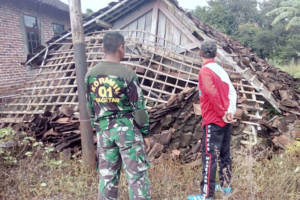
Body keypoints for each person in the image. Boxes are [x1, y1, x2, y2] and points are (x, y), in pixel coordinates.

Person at [85, 32, 151, 200]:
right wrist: (145, 133)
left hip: (104, 133)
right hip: (127, 133)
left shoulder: (91, 74)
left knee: (107, 177)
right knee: (137, 178)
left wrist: (98, 126)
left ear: (102, 48)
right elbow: (139, 109)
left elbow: (90, 106)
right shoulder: (127, 74)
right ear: (121, 47)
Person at [188, 41, 237, 200]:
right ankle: (226, 187)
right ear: (215, 55)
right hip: (225, 120)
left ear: (200, 54)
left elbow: (211, 93)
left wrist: (222, 112)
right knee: (224, 154)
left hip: (213, 119)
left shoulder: (205, 71)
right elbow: (232, 92)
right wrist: (229, 113)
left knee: (210, 156)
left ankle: (206, 195)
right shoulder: (220, 70)